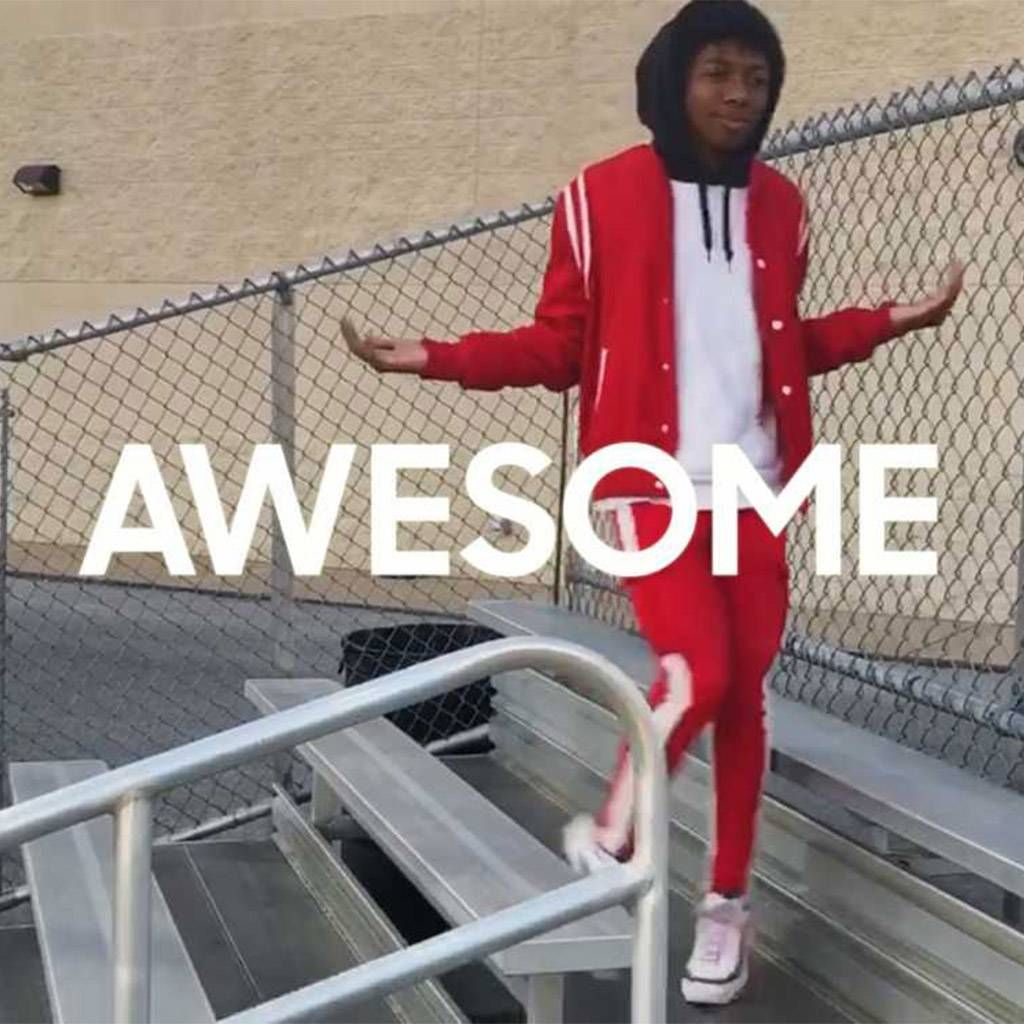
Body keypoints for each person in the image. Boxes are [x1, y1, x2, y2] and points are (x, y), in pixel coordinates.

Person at [342, 0, 963, 1005]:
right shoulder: (599, 198)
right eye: (718, 73)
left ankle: (726, 906)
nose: (739, 96)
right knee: (697, 670)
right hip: (647, 481)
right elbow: (560, 344)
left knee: (745, 698)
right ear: (672, 80)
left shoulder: (782, 206)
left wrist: (888, 321)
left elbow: (779, 346)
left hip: (758, 487)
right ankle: (611, 838)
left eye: (756, 80)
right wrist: (435, 357)